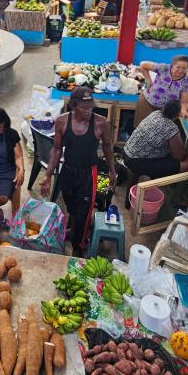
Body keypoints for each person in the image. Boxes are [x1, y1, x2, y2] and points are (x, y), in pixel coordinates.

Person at [41, 87, 116, 255]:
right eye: (84, 107)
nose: (88, 110)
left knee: (84, 213)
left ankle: (79, 246)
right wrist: (47, 175)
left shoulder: (100, 123)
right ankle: (74, 229)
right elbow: (57, 149)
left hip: (89, 174)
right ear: (74, 106)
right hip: (67, 171)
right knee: (72, 207)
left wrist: (112, 171)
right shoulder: (62, 121)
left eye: (90, 106)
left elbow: (107, 147)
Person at [123, 100, 188, 184]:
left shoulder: (155, 114)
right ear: (178, 114)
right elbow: (179, 156)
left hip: (126, 152)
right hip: (136, 162)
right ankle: (176, 192)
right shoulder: (171, 128)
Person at [136, 55, 188, 127]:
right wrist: (148, 80)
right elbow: (143, 65)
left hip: (165, 112)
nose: (180, 70)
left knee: (158, 132)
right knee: (142, 128)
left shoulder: (186, 80)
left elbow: (184, 101)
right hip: (148, 103)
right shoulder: (164, 68)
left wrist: (184, 110)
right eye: (178, 67)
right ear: (172, 65)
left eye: (184, 68)